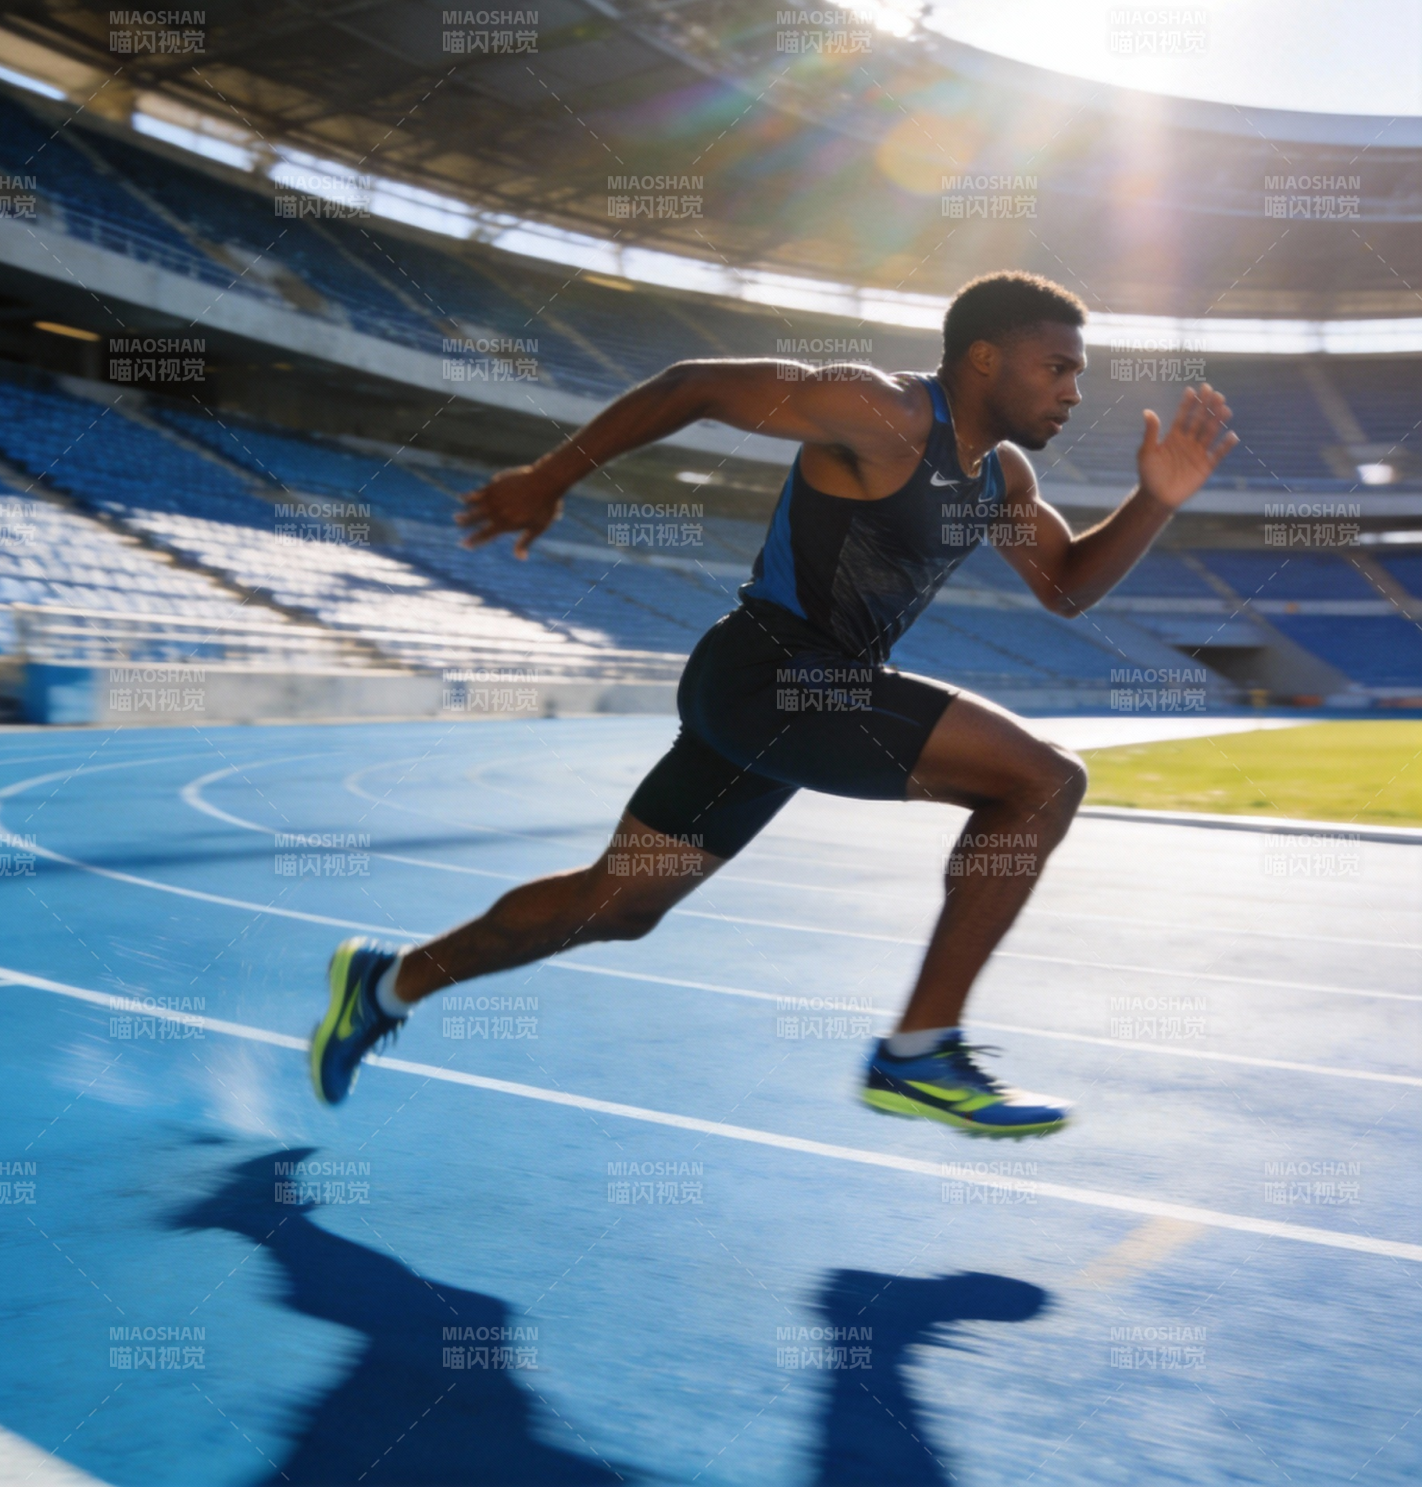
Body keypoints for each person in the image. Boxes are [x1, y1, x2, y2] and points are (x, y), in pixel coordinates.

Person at [310, 271, 1236, 1138]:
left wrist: (1154, 502)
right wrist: (548, 479)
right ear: (985, 358)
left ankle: (386, 985)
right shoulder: (883, 412)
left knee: (618, 905)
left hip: (795, 702)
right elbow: (696, 384)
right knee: (1041, 782)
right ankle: (918, 1053)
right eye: (1060, 368)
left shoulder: (1001, 479)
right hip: (769, 672)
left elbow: (1066, 586)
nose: (1074, 392)